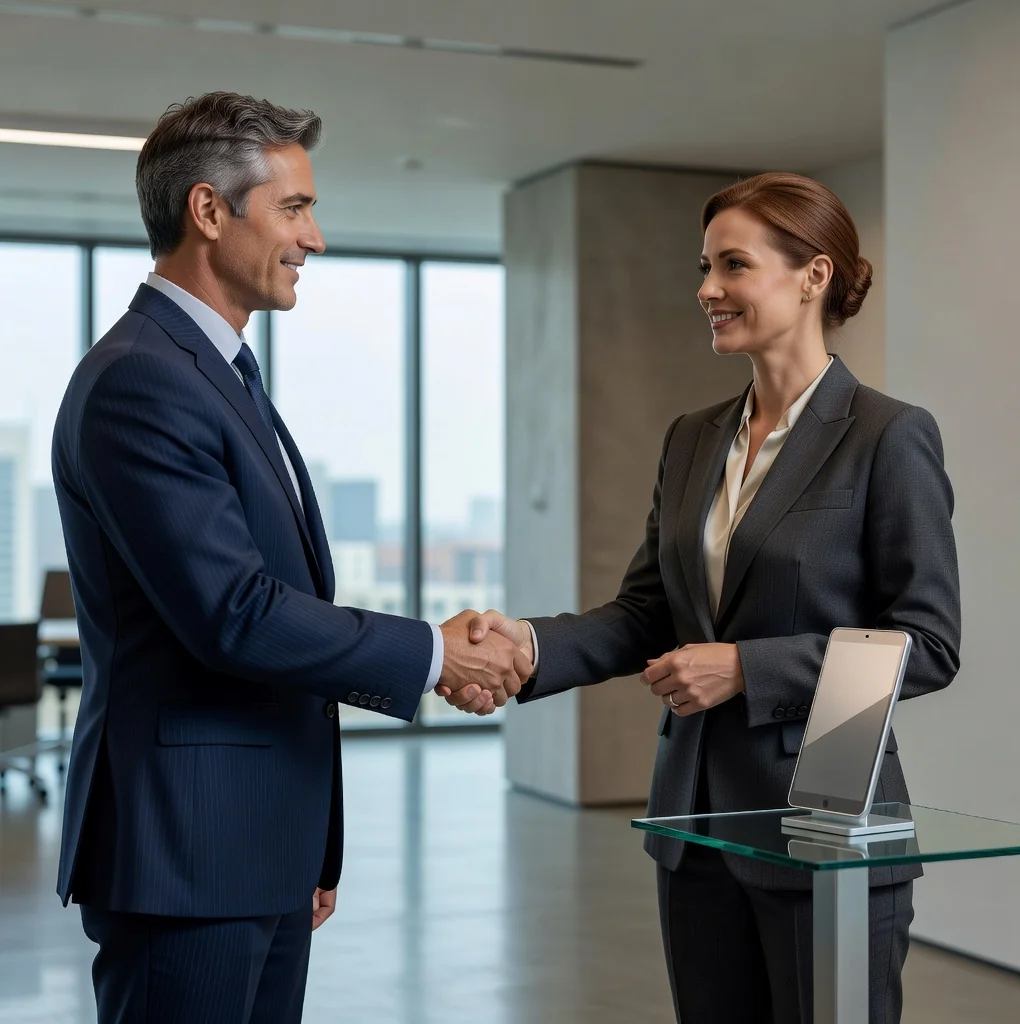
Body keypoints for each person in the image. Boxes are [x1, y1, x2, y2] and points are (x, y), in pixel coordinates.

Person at [52, 91, 527, 1024]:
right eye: (296, 208)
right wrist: (435, 654)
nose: (316, 238)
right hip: (185, 853)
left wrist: (307, 850)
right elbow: (237, 612)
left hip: (254, 847)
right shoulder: (143, 380)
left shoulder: (216, 373)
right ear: (209, 210)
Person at [440, 172, 961, 1022]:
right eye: (704, 268)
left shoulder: (889, 436)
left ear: (813, 276)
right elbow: (649, 611)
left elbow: (928, 642)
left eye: (732, 266)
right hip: (695, 825)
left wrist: (746, 669)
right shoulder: (693, 438)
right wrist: (526, 647)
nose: (706, 290)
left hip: (825, 818)